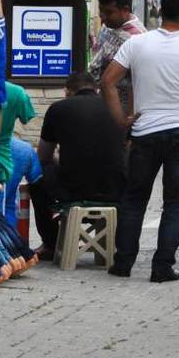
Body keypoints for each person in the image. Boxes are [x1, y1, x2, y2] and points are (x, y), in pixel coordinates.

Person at [101, 0, 179, 282]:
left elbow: (107, 82)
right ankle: (162, 266)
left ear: (159, 11)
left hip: (144, 132)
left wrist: (121, 121)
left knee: (134, 199)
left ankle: (123, 262)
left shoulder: (137, 44)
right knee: (175, 203)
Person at [33, 72, 125, 259]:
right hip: (116, 189)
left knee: (37, 179)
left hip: (74, 191)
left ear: (68, 91)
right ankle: (118, 242)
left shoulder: (58, 109)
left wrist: (61, 158)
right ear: (96, 89)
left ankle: (50, 244)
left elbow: (44, 156)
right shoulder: (118, 108)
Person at [87, 0, 145, 110]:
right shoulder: (108, 27)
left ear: (125, 10)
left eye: (108, 12)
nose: (103, 17)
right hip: (101, 104)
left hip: (120, 109)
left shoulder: (136, 37)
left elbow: (138, 82)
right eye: (101, 11)